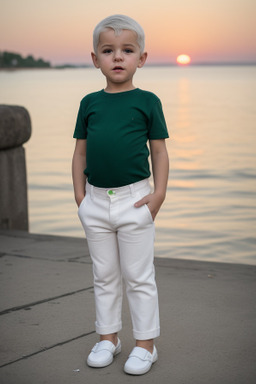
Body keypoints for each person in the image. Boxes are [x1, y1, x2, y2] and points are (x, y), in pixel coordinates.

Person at [72, 14, 169, 376]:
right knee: (104, 275)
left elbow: (158, 151)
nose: (117, 57)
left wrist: (158, 195)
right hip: (94, 202)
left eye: (127, 51)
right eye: (108, 50)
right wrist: (81, 198)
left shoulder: (147, 102)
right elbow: (80, 152)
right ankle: (108, 338)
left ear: (141, 58)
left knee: (139, 276)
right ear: (95, 59)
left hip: (135, 200)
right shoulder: (89, 103)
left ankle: (146, 346)